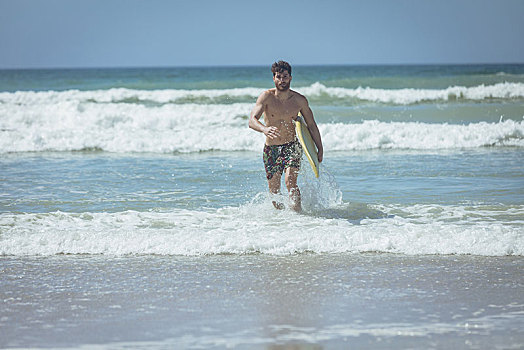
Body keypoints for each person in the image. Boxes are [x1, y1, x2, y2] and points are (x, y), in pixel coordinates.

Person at [249, 60, 323, 211]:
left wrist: (319, 148)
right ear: (273, 78)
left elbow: (311, 125)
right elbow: (252, 121)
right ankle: (283, 221)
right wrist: (264, 129)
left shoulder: (299, 100)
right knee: (274, 190)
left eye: (285, 76)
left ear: (290, 78)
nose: (282, 80)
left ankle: (297, 216)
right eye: (278, 77)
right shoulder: (266, 97)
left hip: (292, 145)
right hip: (272, 148)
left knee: (290, 182)